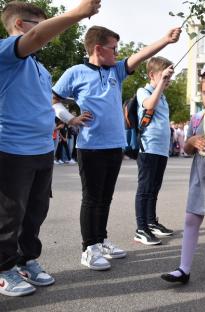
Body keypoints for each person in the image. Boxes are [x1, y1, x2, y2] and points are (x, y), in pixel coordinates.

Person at [52, 25, 181, 271]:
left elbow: (141, 54)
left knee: (105, 198)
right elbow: (54, 99)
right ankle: (89, 248)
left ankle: (100, 240)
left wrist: (165, 39)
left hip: (114, 146)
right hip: (90, 147)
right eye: (113, 48)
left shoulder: (116, 71)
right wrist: (70, 119)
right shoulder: (75, 73)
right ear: (98, 49)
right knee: (91, 198)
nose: (117, 53)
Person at [0, 0, 101, 297]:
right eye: (41, 26)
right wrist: (77, 13)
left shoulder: (39, 68)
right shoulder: (8, 51)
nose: (48, 36)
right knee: (9, 215)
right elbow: (35, 38)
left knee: (35, 211)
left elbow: (48, 104)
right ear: (20, 25)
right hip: (12, 150)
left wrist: (66, 121)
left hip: (42, 150)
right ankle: (3, 268)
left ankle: (26, 259)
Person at [161, 72, 205, 284]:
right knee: (191, 218)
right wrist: (191, 140)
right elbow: (187, 150)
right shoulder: (197, 117)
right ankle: (184, 269)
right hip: (199, 175)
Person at [133, 57, 176, 246]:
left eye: (170, 76)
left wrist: (162, 83)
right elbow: (149, 105)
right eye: (165, 76)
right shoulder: (144, 91)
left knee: (154, 187)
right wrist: (160, 84)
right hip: (148, 146)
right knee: (145, 188)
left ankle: (151, 221)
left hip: (160, 149)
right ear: (152, 75)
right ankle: (141, 228)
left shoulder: (164, 96)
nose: (168, 80)